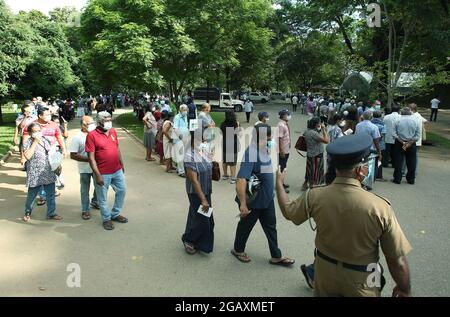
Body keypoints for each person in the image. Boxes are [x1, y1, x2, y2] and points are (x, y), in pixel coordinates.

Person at [276, 133, 412, 297]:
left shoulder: (314, 196)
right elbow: (396, 260)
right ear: (360, 170)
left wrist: (278, 184)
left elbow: (288, 212)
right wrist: (404, 288)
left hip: (324, 273)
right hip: (364, 280)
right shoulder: (379, 207)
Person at [231, 124, 295, 266]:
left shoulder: (263, 150)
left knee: (271, 227)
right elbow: (241, 179)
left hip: (267, 199)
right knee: (245, 226)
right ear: (259, 138)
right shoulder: (251, 153)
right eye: (268, 137)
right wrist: (243, 204)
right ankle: (238, 250)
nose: (271, 139)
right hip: (254, 202)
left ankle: (276, 256)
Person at [86, 111, 127, 230]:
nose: (109, 122)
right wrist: (97, 174)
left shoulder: (113, 131)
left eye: (110, 119)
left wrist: (121, 162)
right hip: (103, 173)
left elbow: (117, 148)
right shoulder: (92, 135)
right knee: (102, 197)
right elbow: (91, 157)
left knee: (122, 191)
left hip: (117, 170)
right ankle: (106, 218)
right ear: (99, 122)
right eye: (106, 120)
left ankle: (115, 214)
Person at [181, 132, 215, 254]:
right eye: (200, 140)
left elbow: (208, 165)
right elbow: (194, 181)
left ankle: (193, 239)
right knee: (204, 220)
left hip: (206, 190)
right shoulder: (189, 156)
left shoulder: (202, 152)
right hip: (196, 193)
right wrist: (203, 200)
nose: (203, 142)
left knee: (196, 215)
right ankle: (188, 239)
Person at [22, 123, 63, 222]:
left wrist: (57, 162)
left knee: (51, 195)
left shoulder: (46, 140)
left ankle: (51, 213)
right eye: (34, 131)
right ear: (30, 133)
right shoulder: (28, 142)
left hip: (48, 171)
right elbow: (27, 156)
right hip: (34, 173)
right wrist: (35, 142)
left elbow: (52, 153)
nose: (37, 133)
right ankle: (27, 212)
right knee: (31, 195)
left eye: (38, 130)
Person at [69, 116, 100, 220]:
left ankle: (95, 201)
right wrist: (90, 160)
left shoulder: (97, 134)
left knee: (99, 186)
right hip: (84, 169)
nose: (93, 125)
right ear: (83, 125)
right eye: (90, 123)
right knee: (84, 190)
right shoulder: (78, 137)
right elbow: (73, 155)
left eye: (93, 122)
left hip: (98, 168)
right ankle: (85, 210)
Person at [391, 107, 420, 185]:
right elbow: (418, 135)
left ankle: (397, 178)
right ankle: (411, 179)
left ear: (402, 112)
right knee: (412, 162)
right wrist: (410, 142)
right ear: (410, 112)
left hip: (399, 142)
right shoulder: (416, 121)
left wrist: (402, 142)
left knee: (398, 161)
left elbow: (393, 133)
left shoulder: (397, 120)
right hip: (411, 143)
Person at [355, 110, 382, 190]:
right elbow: (376, 141)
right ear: (371, 117)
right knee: (370, 166)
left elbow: (356, 136)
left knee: (361, 164)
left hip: (360, 148)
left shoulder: (358, 125)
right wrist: (379, 152)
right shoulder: (374, 127)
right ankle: (367, 184)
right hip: (370, 149)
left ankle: (361, 181)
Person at [302, 117, 329, 191]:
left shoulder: (307, 131)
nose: (320, 124)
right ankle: (312, 186)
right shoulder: (313, 133)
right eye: (319, 123)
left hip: (310, 153)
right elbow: (326, 140)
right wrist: (323, 129)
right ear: (316, 124)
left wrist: (319, 130)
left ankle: (305, 184)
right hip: (316, 154)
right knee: (315, 171)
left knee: (309, 170)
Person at [220, 110, 240, 184]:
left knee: (225, 160)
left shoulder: (223, 124)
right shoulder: (235, 124)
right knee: (232, 162)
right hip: (233, 144)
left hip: (225, 143)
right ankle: (233, 178)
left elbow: (221, 132)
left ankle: (225, 175)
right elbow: (238, 133)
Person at [325, 113, 344, 185]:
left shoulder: (330, 127)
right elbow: (340, 139)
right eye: (341, 120)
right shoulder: (338, 129)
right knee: (334, 165)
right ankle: (333, 181)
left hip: (329, 148)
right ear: (338, 120)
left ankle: (328, 180)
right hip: (336, 149)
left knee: (329, 164)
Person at [410, 103, 427, 174]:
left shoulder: (413, 116)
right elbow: (425, 121)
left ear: (412, 109)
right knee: (415, 156)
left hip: (413, 140)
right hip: (417, 139)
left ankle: (408, 171)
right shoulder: (419, 115)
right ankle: (414, 171)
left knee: (410, 156)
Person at [173, 105, 190, 177]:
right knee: (180, 155)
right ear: (180, 110)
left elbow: (186, 127)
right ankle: (181, 171)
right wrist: (181, 138)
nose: (186, 111)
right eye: (184, 110)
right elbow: (175, 129)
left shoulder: (185, 117)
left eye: (186, 109)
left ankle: (179, 168)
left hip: (185, 139)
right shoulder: (177, 117)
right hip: (179, 139)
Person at [278, 110, 292, 193]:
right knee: (282, 168)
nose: (289, 116)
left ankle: (282, 183)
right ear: (283, 116)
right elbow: (279, 138)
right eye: (288, 114)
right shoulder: (281, 125)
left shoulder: (285, 124)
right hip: (283, 150)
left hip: (286, 148)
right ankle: (280, 186)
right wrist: (281, 150)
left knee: (283, 167)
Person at [371, 110, 386, 181]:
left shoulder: (370, 123)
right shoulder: (383, 124)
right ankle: (379, 176)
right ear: (380, 116)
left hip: (370, 144)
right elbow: (383, 134)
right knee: (379, 160)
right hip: (380, 145)